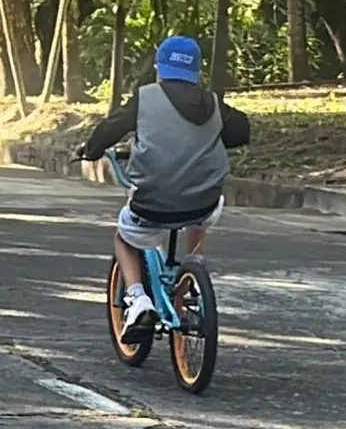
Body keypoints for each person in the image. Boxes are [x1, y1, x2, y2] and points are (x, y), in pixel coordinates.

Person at [76, 36, 250, 344]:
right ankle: (190, 270)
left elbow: (110, 128)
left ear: (159, 67)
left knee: (124, 235)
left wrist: (90, 150)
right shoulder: (212, 101)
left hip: (152, 202)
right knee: (201, 216)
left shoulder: (145, 97)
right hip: (203, 201)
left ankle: (138, 298)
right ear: (197, 71)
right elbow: (241, 131)